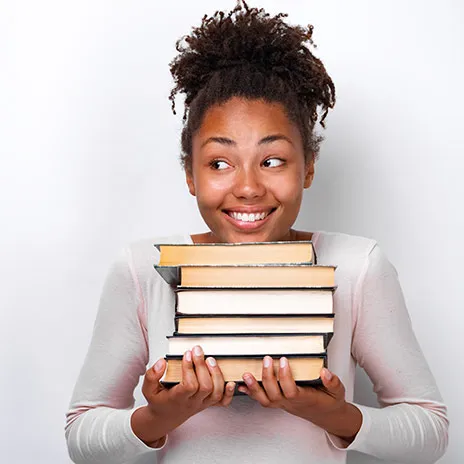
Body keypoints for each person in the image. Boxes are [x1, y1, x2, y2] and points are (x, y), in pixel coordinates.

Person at [65, 2, 449, 463]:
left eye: (272, 161)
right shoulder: (141, 269)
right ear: (190, 174)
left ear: (308, 167)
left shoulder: (356, 267)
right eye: (219, 163)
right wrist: (156, 419)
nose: (248, 188)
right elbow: (81, 438)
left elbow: (430, 432)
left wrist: (329, 414)